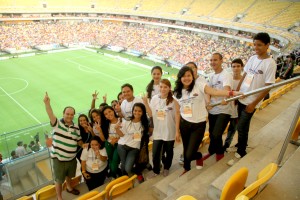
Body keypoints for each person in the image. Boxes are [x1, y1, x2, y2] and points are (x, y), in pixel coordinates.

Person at [173, 66, 241, 175]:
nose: (186, 78)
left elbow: (214, 91)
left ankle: (199, 156)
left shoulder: (199, 85)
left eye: (189, 75)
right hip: (184, 124)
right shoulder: (176, 93)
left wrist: (231, 93)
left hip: (198, 125)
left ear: (192, 76)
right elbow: (177, 112)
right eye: (184, 76)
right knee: (186, 149)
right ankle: (187, 168)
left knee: (190, 154)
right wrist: (177, 131)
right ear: (180, 78)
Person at [235, 32, 276, 159]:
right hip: (242, 96)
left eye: (259, 45)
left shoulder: (270, 63)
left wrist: (254, 103)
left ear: (267, 45)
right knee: (243, 126)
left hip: (251, 101)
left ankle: (241, 151)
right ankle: (241, 143)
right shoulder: (252, 58)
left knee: (241, 126)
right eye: (254, 45)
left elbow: (268, 86)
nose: (256, 48)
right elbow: (245, 75)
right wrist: (236, 92)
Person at [43, 92, 85, 200]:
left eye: (72, 114)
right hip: (59, 159)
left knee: (69, 176)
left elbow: (78, 140)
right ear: (63, 114)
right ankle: (59, 197)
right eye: (67, 113)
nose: (70, 116)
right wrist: (47, 104)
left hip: (71, 158)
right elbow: (50, 113)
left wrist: (82, 144)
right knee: (59, 180)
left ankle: (69, 188)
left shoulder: (76, 127)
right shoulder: (57, 124)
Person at [143, 79, 180, 178]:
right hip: (158, 132)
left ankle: (167, 168)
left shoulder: (174, 100)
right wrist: (146, 103)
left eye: (165, 87)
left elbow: (177, 116)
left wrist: (177, 131)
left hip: (169, 131)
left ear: (169, 88)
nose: (163, 89)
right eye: (161, 87)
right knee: (155, 153)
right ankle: (156, 170)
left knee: (169, 152)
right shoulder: (155, 98)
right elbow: (151, 114)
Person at [205, 53, 233, 162]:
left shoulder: (226, 75)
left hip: (223, 110)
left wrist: (224, 96)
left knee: (217, 134)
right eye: (211, 60)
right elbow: (208, 92)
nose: (213, 62)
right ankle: (212, 150)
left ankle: (220, 153)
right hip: (213, 109)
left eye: (215, 60)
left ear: (221, 61)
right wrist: (208, 102)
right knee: (212, 133)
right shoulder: (211, 75)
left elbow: (227, 90)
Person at [116, 103, 149, 178]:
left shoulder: (144, 123)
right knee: (124, 167)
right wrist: (116, 128)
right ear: (132, 111)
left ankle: (136, 173)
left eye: (139, 111)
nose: (137, 113)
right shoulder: (127, 121)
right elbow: (121, 135)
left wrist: (145, 101)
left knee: (128, 168)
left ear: (143, 112)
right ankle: (125, 179)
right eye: (135, 110)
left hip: (134, 148)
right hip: (122, 146)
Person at [223, 58, 244, 151]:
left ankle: (226, 145)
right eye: (234, 66)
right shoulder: (228, 78)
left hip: (237, 110)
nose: (236, 68)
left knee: (232, 129)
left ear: (242, 67)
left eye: (238, 66)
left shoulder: (244, 80)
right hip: (226, 108)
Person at [101, 106, 121, 178]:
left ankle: (113, 173)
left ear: (113, 111)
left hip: (118, 145)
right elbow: (104, 138)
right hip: (108, 144)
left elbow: (126, 134)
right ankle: (114, 174)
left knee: (115, 160)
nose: (108, 114)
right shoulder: (106, 124)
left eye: (109, 111)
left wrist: (117, 139)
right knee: (111, 160)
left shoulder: (120, 120)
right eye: (106, 114)